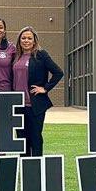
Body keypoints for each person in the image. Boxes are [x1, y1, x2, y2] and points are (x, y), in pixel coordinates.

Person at [12, 26, 63, 157]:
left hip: (35, 105)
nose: (26, 41)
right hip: (18, 106)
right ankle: (24, 166)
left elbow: (58, 72)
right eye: (23, 38)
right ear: (19, 40)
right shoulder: (15, 56)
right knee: (22, 140)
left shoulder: (41, 55)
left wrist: (45, 88)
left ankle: (37, 166)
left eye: (29, 38)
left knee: (35, 138)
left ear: (34, 41)